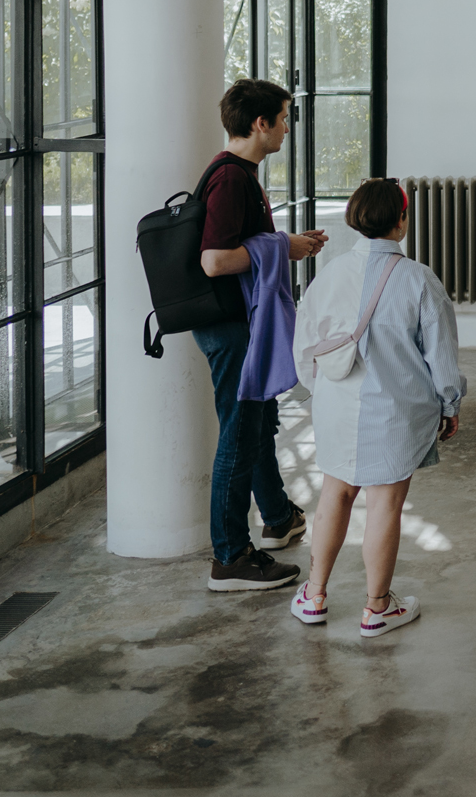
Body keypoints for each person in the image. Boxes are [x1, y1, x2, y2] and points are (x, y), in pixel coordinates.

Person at [288, 180, 461, 638]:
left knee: (335, 494)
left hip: (336, 407)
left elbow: (304, 348)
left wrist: (324, 392)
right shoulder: (420, 280)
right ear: (401, 220)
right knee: (385, 503)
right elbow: (441, 357)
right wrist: (449, 403)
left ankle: (314, 596)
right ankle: (377, 608)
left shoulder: (329, 274)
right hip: (397, 411)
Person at [195, 79, 326, 592]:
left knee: (258, 420)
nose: (288, 127)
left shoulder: (239, 173)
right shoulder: (230, 179)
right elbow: (214, 261)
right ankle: (229, 557)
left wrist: (285, 244)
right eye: (284, 118)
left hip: (237, 324)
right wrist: (283, 246)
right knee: (238, 434)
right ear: (260, 123)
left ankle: (275, 516)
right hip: (229, 329)